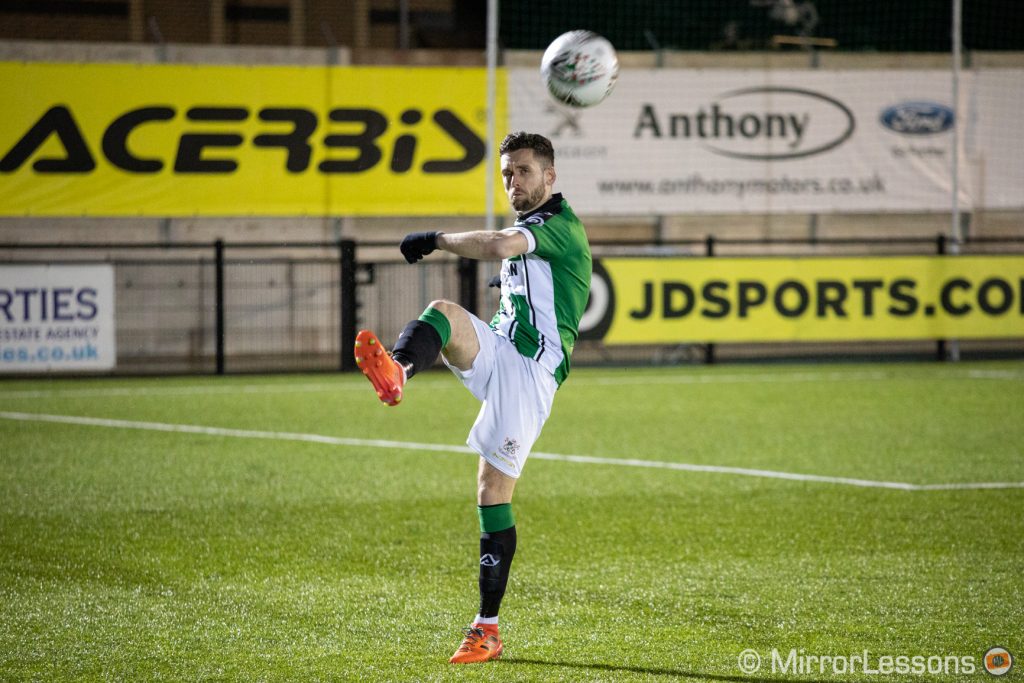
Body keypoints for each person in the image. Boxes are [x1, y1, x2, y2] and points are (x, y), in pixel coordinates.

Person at [353, 131, 591, 664]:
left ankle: (487, 629)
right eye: (507, 172)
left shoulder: (557, 225)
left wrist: (437, 237)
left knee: (491, 494)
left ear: (550, 177)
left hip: (530, 375)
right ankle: (397, 371)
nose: (513, 181)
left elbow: (504, 244)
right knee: (444, 311)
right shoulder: (534, 229)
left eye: (524, 171)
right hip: (503, 353)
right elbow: (522, 268)